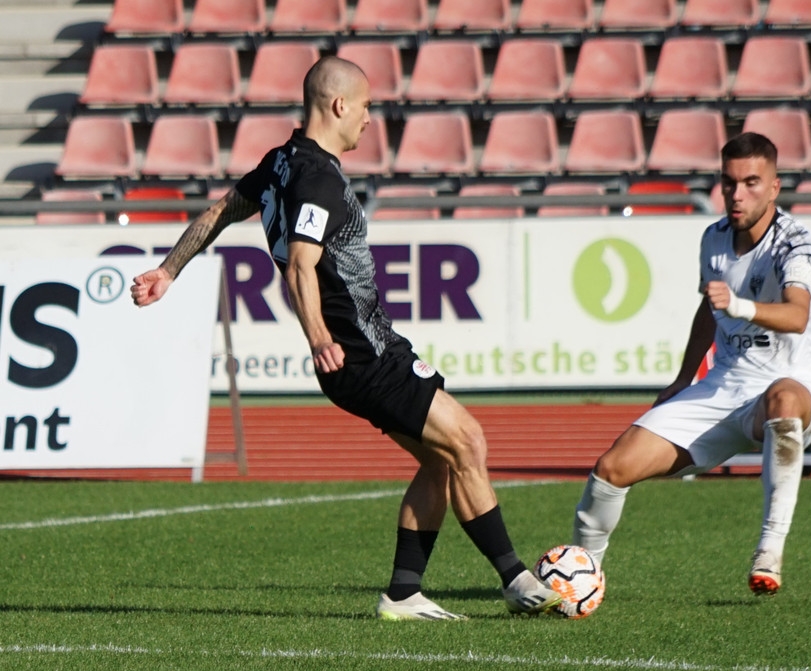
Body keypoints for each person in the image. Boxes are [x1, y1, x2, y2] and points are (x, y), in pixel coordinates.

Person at [131, 56, 560, 620]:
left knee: (441, 460)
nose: (368, 118)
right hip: (361, 354)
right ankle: (519, 583)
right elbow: (300, 266)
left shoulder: (281, 162)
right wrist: (318, 338)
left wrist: (168, 270)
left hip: (365, 349)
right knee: (469, 441)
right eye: (365, 106)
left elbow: (220, 211)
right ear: (338, 105)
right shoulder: (317, 178)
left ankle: (404, 594)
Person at [573, 132, 811, 596]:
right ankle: (580, 578)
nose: (737, 194)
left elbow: (797, 315)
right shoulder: (714, 238)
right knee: (612, 468)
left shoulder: (796, 243)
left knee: (784, 398)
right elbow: (708, 311)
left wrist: (739, 306)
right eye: (729, 183)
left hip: (787, 387)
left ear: (774, 187)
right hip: (722, 387)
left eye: (751, 182)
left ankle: (769, 550)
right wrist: (683, 379)